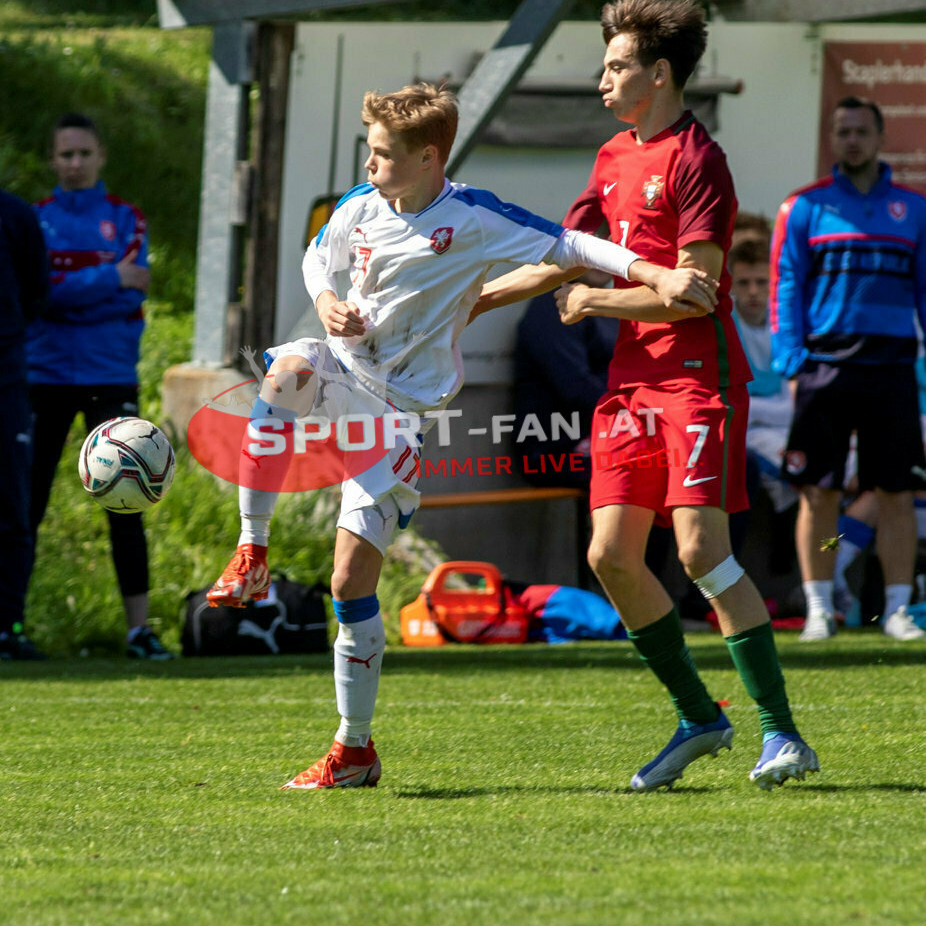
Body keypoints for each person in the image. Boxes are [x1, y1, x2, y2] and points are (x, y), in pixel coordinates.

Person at [206, 81, 718, 791]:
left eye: (384, 154)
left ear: (429, 157)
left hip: (398, 416)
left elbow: (571, 244)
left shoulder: (472, 217)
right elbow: (316, 257)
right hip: (345, 374)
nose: (370, 164)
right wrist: (326, 303)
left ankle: (354, 751)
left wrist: (655, 272)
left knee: (350, 582)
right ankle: (251, 550)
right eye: (369, 150)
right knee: (286, 371)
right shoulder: (361, 204)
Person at [476, 0, 818, 791]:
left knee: (700, 550)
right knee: (610, 556)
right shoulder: (610, 158)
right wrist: (476, 300)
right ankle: (700, 717)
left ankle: (782, 732)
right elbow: (567, 257)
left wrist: (597, 300)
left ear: (659, 74)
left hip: (697, 379)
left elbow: (695, 291)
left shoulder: (699, 160)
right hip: (629, 387)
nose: (602, 79)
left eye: (616, 65)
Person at [770, 96, 926, 642]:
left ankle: (899, 610)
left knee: (897, 494)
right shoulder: (804, 208)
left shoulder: (916, 209)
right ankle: (818, 608)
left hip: (893, 369)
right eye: (843, 131)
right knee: (819, 491)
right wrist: (791, 362)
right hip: (824, 369)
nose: (851, 140)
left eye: (861, 131)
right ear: (831, 139)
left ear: (880, 137)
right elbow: (786, 286)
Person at [26, 113, 174, 659]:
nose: (75, 163)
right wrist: (109, 277)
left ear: (101, 156)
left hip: (110, 372)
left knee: (126, 503)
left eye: (84, 153)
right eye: (65, 155)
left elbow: (133, 296)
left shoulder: (125, 218)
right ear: (53, 160)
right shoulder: (35, 220)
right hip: (43, 375)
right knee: (26, 504)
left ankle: (139, 630)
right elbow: (40, 295)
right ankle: (9, 625)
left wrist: (73, 292)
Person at [728, 214, 798, 573]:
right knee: (794, 471)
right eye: (744, 283)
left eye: (761, 282)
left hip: (782, 430)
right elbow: (733, 409)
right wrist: (767, 411)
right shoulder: (725, 328)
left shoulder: (784, 325)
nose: (753, 291)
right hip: (746, 436)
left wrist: (760, 410)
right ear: (731, 285)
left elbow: (794, 403)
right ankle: (783, 573)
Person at [513, 269, 620, 488]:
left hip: (611, 433)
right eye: (592, 248)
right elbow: (575, 387)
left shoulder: (612, 307)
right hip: (556, 448)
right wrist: (632, 417)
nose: (600, 262)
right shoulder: (552, 307)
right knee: (644, 473)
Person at [0, 189, 48, 660]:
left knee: (14, 507)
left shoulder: (15, 214)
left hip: (7, 382)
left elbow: (37, 293)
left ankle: (7, 623)